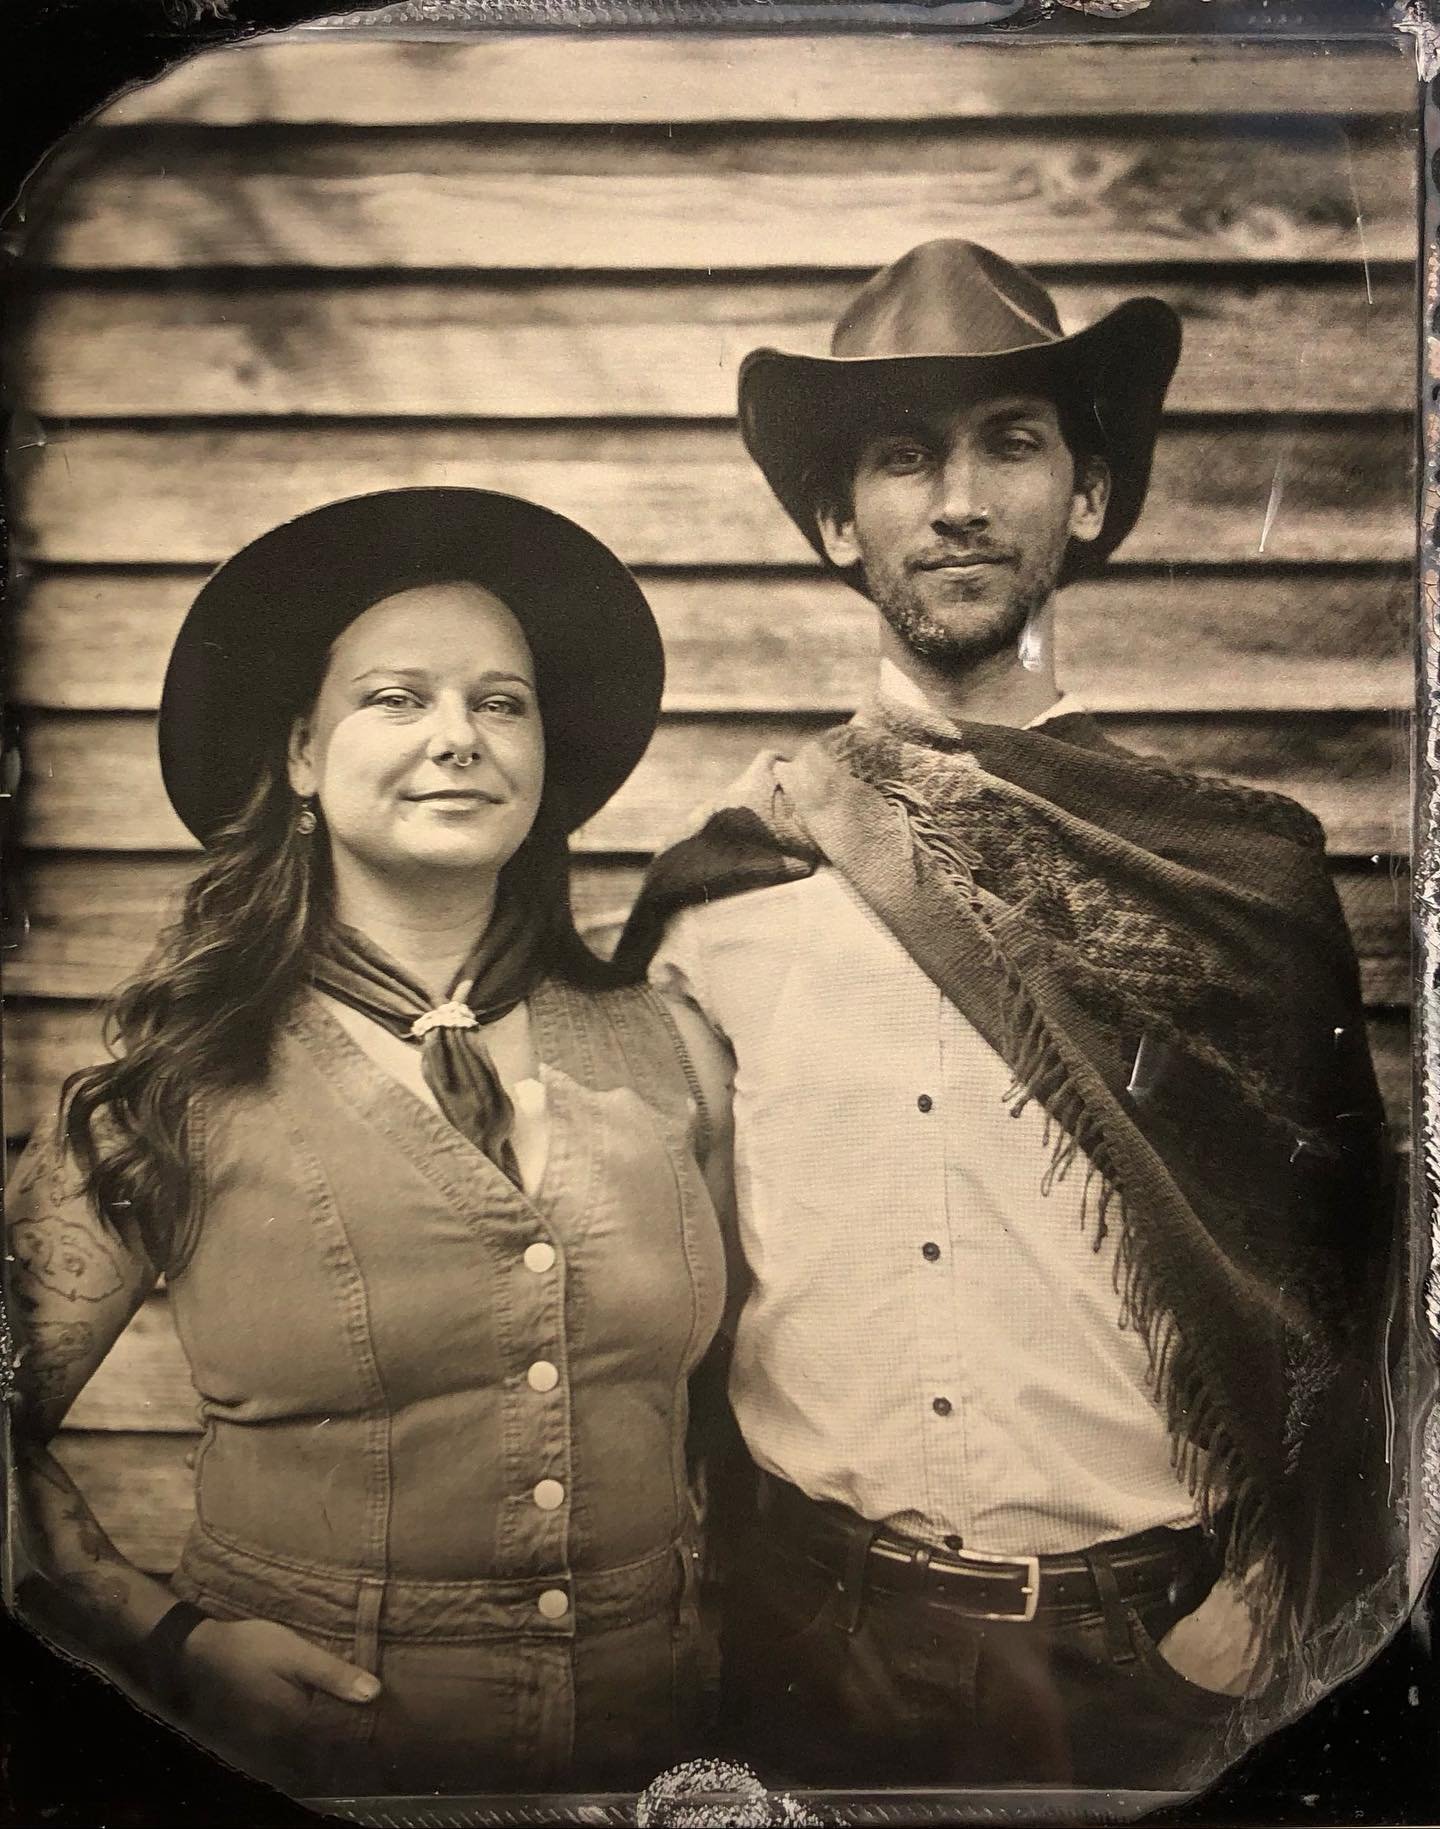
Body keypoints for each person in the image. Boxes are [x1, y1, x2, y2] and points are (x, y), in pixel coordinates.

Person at [619, 240, 1400, 1792]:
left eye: (1011, 443)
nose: (957, 499)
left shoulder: (1234, 878)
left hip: (1148, 1656)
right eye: (903, 459)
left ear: (1090, 498)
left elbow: (1362, 1284)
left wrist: (1260, 1602)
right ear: (841, 519)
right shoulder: (729, 888)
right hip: (809, 1644)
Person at [8, 488, 733, 1800]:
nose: (458, 736)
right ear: (298, 752)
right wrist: (166, 1635)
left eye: (499, 702)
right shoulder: (173, 1082)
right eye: (397, 698)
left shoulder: (670, 1047)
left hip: (654, 1771)